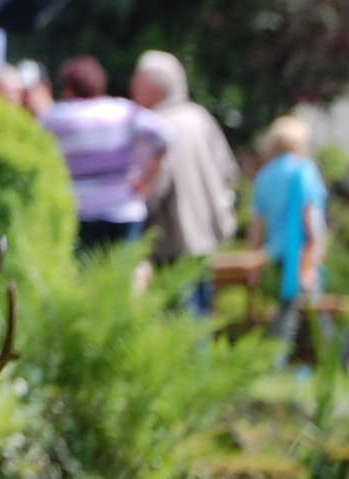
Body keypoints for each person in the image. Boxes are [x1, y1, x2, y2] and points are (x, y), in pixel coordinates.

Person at [131, 50, 238, 314]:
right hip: (205, 239)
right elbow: (229, 172)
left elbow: (154, 188)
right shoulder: (200, 117)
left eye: (137, 79)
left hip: (172, 241)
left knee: (180, 328)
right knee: (200, 317)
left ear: (153, 86)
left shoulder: (158, 126)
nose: (132, 85)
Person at [37, 56, 168, 252]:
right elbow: (164, 135)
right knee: (121, 276)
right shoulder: (124, 111)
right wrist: (147, 179)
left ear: (69, 87)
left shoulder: (55, 117)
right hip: (124, 207)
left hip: (79, 210)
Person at [249, 115, 331, 362]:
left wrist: (254, 257)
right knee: (307, 310)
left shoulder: (265, 175)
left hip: (274, 251)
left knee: (295, 306)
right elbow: (310, 218)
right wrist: (316, 253)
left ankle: (287, 358)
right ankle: (323, 358)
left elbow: (256, 223)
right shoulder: (303, 170)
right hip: (301, 251)